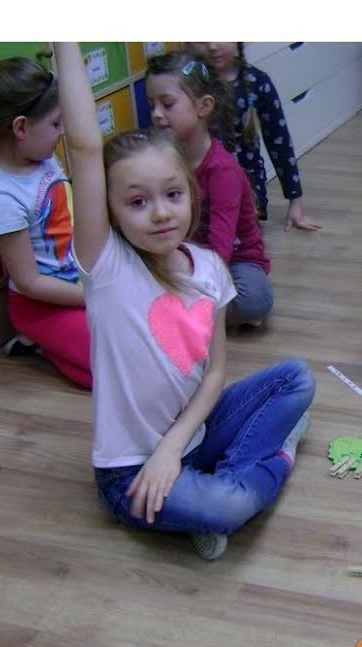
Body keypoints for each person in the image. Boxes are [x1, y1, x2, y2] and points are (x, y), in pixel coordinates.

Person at [54, 42, 315, 560]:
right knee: (227, 507)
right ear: (109, 210)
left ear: (192, 194)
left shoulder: (211, 268)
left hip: (194, 432)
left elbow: (214, 374)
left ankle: (218, 480)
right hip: (130, 469)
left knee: (297, 378)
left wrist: (174, 448)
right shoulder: (107, 267)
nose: (159, 213)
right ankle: (272, 459)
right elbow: (83, 147)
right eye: (137, 201)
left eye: (172, 194)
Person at [0, 55, 92, 388]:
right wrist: (95, 297)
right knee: (112, 370)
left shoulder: (39, 153)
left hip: (78, 282)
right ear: (21, 128)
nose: (62, 131)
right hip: (39, 304)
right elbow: (29, 282)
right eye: (55, 124)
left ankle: (53, 341)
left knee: (139, 336)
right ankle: (42, 344)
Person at [146, 51, 273, 327]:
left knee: (254, 299)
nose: (156, 114)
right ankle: (185, 307)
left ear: (203, 106)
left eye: (167, 104)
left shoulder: (222, 170)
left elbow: (220, 249)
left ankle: (183, 310)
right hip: (179, 252)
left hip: (232, 260)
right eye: (151, 104)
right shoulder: (160, 158)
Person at [186, 42, 320, 231]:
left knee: (234, 227)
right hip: (200, 182)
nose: (212, 46)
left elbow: (279, 141)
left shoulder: (258, 82)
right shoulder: (188, 82)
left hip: (246, 183)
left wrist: (295, 201)